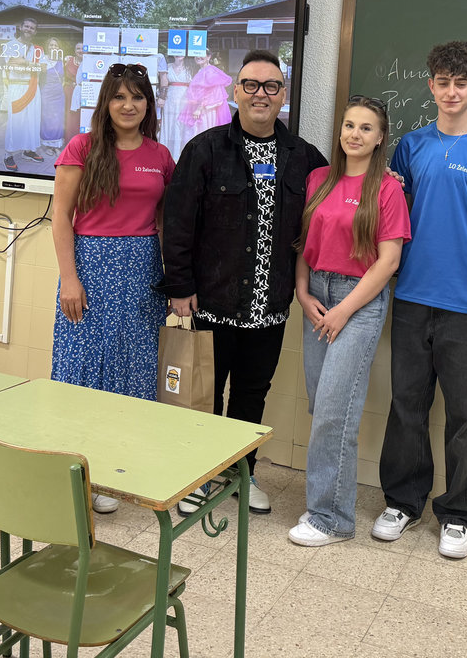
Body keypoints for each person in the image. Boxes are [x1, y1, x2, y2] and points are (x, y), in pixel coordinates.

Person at [371, 40, 467, 560]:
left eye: (462, 83)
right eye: (443, 82)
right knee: (406, 405)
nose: (452, 91)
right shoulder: (411, 146)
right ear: (431, 85)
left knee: (465, 413)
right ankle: (403, 502)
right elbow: (393, 215)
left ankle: (457, 514)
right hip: (413, 295)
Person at [160, 48, 328, 513]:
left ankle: (241, 473)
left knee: (252, 396)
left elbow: (342, 191)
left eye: (271, 86)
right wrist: (179, 287)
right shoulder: (206, 149)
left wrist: (382, 176)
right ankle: (198, 475)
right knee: (206, 394)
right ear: (235, 92)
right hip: (213, 301)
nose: (260, 94)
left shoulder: (304, 158)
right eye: (251, 85)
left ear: (283, 95)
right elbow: (178, 223)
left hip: (270, 307)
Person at [51, 62, 174, 513]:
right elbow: (60, 217)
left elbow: (166, 222)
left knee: (133, 367)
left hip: (142, 272)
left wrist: (174, 278)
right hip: (90, 268)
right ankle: (76, 469)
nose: (128, 105)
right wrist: (69, 278)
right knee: (84, 365)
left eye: (137, 97)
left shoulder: (160, 155)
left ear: (148, 104)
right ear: (106, 102)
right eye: (119, 96)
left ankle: (117, 471)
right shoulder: (82, 148)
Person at [288, 95, 411, 546]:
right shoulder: (318, 179)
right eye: (349, 125)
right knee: (321, 406)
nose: (354, 134)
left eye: (365, 128)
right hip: (317, 296)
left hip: (358, 302)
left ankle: (331, 519)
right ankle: (326, 504)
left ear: (380, 138)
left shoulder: (388, 190)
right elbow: (305, 242)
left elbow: (388, 261)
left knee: (334, 414)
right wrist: (303, 292)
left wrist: (345, 309)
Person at [3, 17, 45, 172]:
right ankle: (8, 154)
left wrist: (26, 63)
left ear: (35, 31)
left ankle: (28, 151)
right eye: (26, 26)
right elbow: (15, 65)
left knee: (32, 121)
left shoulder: (37, 49)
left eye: (32, 28)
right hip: (17, 87)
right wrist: (33, 65)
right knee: (16, 122)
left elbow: (43, 68)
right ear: (20, 27)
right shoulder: (10, 45)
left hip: (33, 88)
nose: (29, 29)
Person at [180, 50, 233, 143]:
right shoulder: (202, 70)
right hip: (200, 109)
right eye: (197, 54)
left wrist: (199, 109)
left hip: (206, 110)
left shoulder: (210, 71)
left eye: (202, 54)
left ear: (208, 57)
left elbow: (212, 93)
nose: (198, 57)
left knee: (204, 136)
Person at [162, 53, 195, 158]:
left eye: (180, 52)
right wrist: (162, 97)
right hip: (170, 98)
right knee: (169, 123)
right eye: (176, 52)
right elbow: (163, 84)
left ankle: (179, 154)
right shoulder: (167, 67)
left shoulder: (190, 68)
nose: (178, 55)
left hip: (185, 99)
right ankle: (166, 153)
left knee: (181, 125)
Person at [39, 37, 67, 152]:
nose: (53, 47)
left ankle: (56, 144)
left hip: (59, 94)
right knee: (47, 118)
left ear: (59, 48)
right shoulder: (42, 59)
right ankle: (47, 144)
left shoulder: (61, 60)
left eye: (56, 45)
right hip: (46, 93)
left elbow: (64, 78)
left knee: (58, 119)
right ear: (47, 46)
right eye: (51, 45)